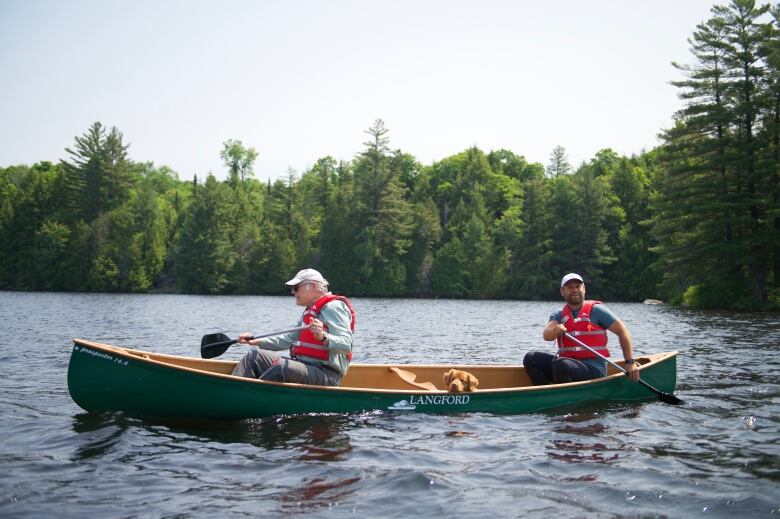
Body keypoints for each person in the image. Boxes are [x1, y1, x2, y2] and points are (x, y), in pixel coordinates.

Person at [231, 268, 355, 386]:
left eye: (296, 288)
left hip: (327, 375)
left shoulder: (334, 307)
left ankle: (250, 399)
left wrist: (323, 337)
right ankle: (235, 391)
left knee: (280, 366)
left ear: (313, 285)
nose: (293, 292)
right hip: (305, 367)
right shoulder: (310, 312)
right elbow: (289, 340)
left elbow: (346, 345)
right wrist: (256, 341)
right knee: (255, 356)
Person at [523, 273, 640, 385]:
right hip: (565, 367)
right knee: (531, 358)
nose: (574, 290)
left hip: (593, 369)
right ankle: (545, 393)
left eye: (578, 286)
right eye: (570, 287)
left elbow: (622, 331)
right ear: (562, 291)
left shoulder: (597, 311)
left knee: (561, 364)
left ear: (584, 288)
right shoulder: (558, 315)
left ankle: (563, 398)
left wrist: (630, 362)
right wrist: (555, 330)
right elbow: (546, 335)